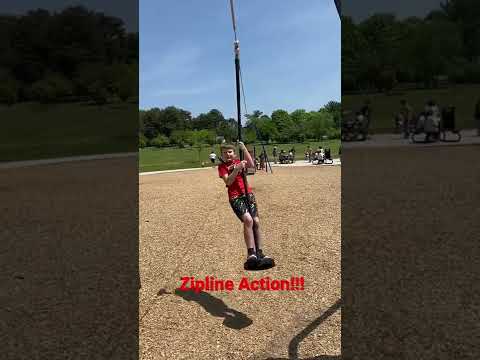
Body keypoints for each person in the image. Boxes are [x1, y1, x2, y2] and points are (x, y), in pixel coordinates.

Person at [217, 142, 274, 270]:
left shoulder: (239, 161)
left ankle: (259, 252)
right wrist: (236, 169)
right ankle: (251, 253)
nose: (228, 154)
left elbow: (252, 165)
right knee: (248, 220)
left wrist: (244, 149)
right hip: (235, 197)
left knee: (256, 221)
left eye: (230, 152)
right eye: (225, 153)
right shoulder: (222, 167)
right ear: (222, 155)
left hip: (247, 193)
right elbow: (228, 181)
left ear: (234, 153)